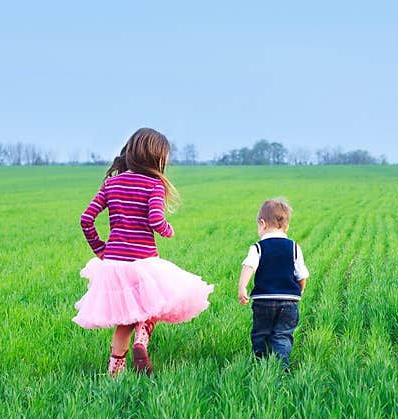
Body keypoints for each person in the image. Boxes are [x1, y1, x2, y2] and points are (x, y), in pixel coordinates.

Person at [73, 127, 214, 376]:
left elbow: (86, 219)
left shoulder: (112, 184)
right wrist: (168, 230)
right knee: (153, 306)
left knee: (123, 320)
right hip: (144, 260)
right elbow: (155, 220)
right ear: (156, 158)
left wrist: (101, 250)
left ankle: (114, 374)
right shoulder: (154, 185)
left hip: (115, 264)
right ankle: (141, 341)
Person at [237, 198, 309, 370]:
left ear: (262, 224)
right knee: (283, 335)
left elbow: (249, 266)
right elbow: (302, 275)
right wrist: (300, 290)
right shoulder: (294, 247)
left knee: (260, 333)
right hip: (289, 302)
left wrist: (242, 287)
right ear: (286, 227)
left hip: (264, 301)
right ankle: (281, 367)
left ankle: (260, 363)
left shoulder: (258, 247)